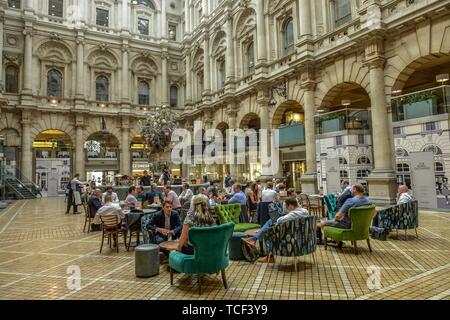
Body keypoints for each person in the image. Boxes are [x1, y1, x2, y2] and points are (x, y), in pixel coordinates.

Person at [243, 198, 309, 263]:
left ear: (291, 206)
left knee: (269, 228)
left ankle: (257, 242)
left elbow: (280, 220)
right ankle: (254, 239)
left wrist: (276, 220)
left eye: (286, 207)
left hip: (290, 237)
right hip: (301, 235)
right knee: (270, 224)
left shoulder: (293, 214)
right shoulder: (305, 211)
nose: (286, 209)